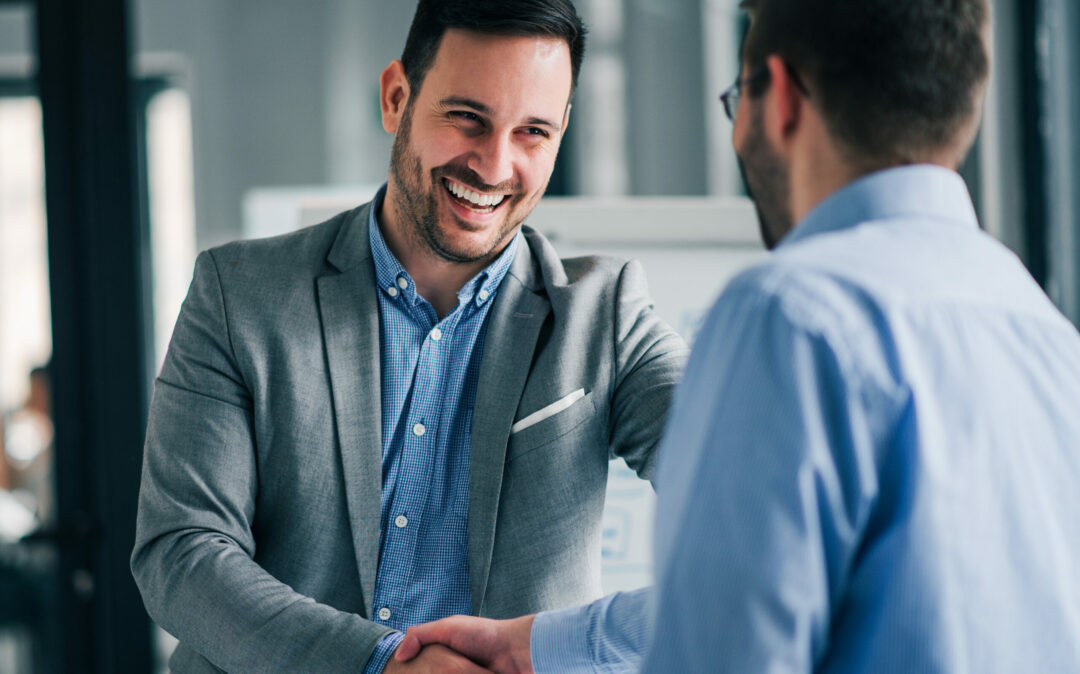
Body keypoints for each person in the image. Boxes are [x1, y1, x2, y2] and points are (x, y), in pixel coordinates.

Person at [394, 0, 1080, 671]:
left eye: (734, 97)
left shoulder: (791, 314)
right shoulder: (1046, 335)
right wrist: (538, 646)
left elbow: (727, 645)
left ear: (778, 98)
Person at [130, 1, 687, 672]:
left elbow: (763, 506)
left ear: (562, 132)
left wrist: (587, 648)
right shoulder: (239, 295)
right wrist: (383, 664)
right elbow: (182, 552)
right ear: (398, 97)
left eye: (533, 132)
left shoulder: (608, 318)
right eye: (466, 118)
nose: (494, 164)